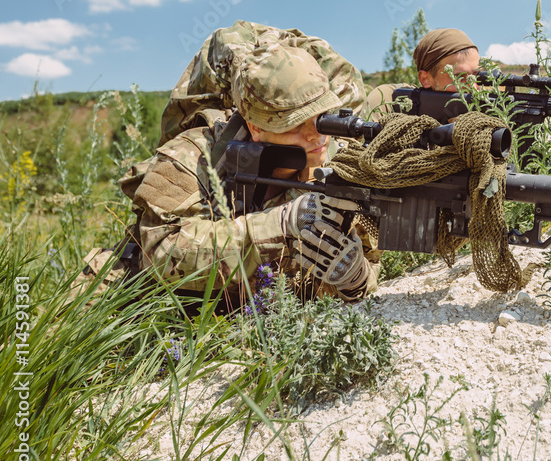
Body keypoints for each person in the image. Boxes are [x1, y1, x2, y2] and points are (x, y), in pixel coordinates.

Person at [84, 43, 379, 307]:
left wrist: (356, 279)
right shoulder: (193, 155)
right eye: (295, 123)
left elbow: (368, 260)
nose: (316, 135)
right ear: (255, 127)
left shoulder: (340, 169)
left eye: (321, 117)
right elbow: (161, 251)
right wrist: (279, 225)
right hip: (152, 302)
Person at [362, 28, 480, 119]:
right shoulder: (389, 100)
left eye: (476, 76)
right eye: (459, 77)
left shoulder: (490, 105)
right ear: (425, 79)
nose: (472, 87)